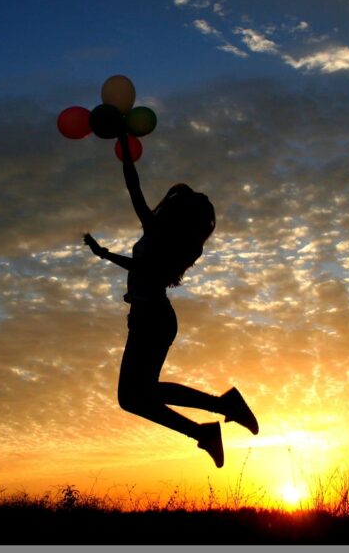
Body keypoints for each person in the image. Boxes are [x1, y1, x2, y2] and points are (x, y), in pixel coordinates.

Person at [83, 133, 258, 468]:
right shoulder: (170, 240)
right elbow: (141, 257)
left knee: (133, 396)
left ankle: (220, 412)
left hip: (152, 318)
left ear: (179, 216)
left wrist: (125, 152)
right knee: (136, 396)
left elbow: (136, 207)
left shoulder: (167, 240)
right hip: (150, 316)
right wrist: (104, 254)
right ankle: (214, 421)